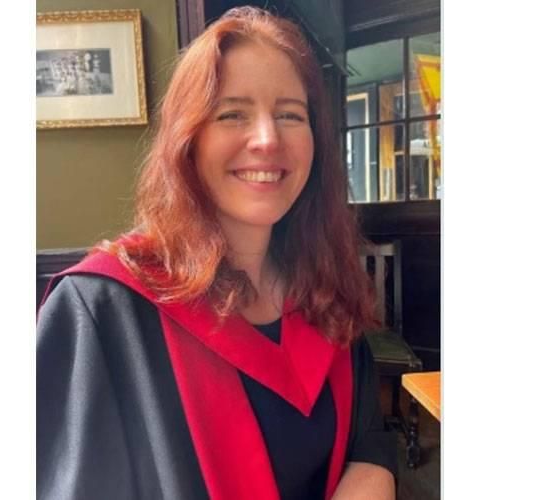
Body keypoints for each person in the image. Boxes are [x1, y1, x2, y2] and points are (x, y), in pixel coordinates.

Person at [37, 6, 397, 500]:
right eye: (232, 114)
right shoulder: (101, 311)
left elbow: (369, 446)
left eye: (290, 114)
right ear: (188, 139)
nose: (267, 139)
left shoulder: (323, 290)